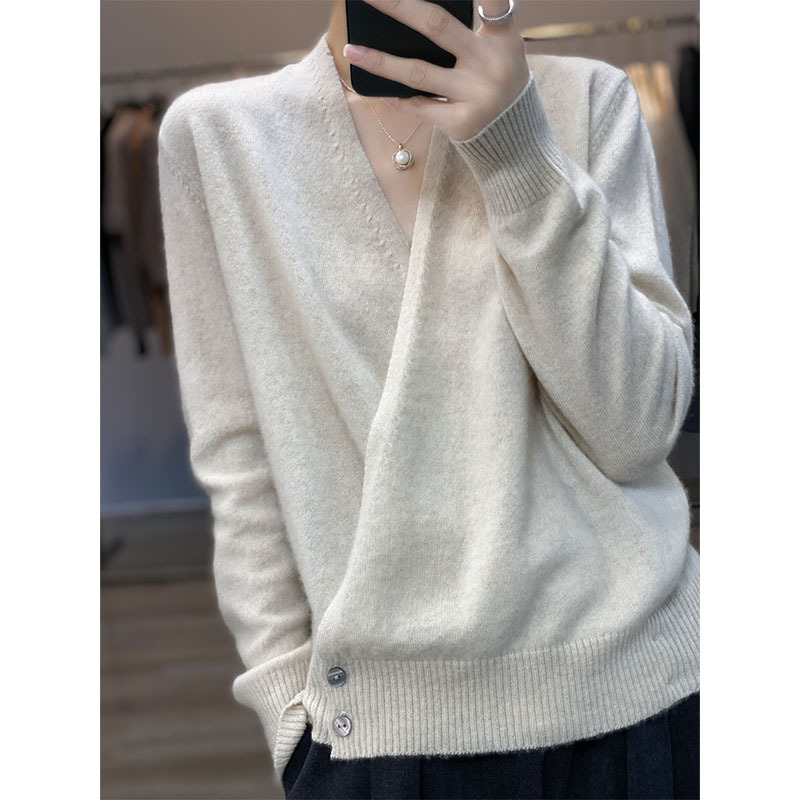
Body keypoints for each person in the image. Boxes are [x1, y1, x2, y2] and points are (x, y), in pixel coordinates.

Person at [157, 0, 700, 797]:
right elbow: (238, 451)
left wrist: (517, 148)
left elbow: (639, 429)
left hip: (639, 698)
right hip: (379, 731)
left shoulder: (591, 99)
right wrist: (285, 703)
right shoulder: (219, 138)